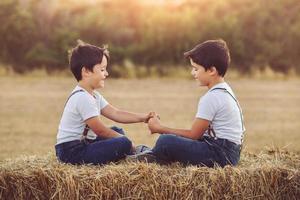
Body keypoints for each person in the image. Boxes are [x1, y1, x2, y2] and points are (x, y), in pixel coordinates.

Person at [146, 39, 245, 167]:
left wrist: (159, 128)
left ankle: (150, 158)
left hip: (221, 155)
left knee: (166, 141)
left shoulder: (212, 97)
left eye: (196, 69)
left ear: (211, 71)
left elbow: (194, 135)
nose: (192, 73)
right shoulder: (225, 90)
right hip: (229, 152)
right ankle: (151, 153)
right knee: (173, 141)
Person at [55, 41, 154, 165]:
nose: (106, 73)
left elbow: (116, 113)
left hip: (84, 143)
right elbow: (100, 130)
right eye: (102, 69)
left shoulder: (93, 95)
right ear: (86, 71)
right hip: (71, 152)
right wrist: (129, 144)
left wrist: (143, 117)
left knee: (117, 130)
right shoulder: (82, 98)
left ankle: (131, 154)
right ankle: (133, 153)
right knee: (123, 142)